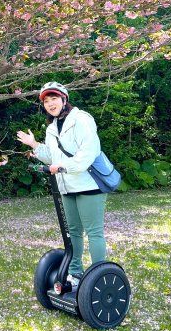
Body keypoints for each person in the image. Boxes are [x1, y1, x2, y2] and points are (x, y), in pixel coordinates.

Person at [16, 81, 106, 290]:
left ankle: (99, 276)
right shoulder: (51, 128)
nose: (50, 103)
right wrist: (34, 145)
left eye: (54, 99)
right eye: (46, 101)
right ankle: (75, 274)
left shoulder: (82, 119)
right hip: (67, 186)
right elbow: (52, 157)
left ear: (64, 100)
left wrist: (62, 167)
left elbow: (88, 154)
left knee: (94, 232)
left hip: (89, 184)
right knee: (73, 233)